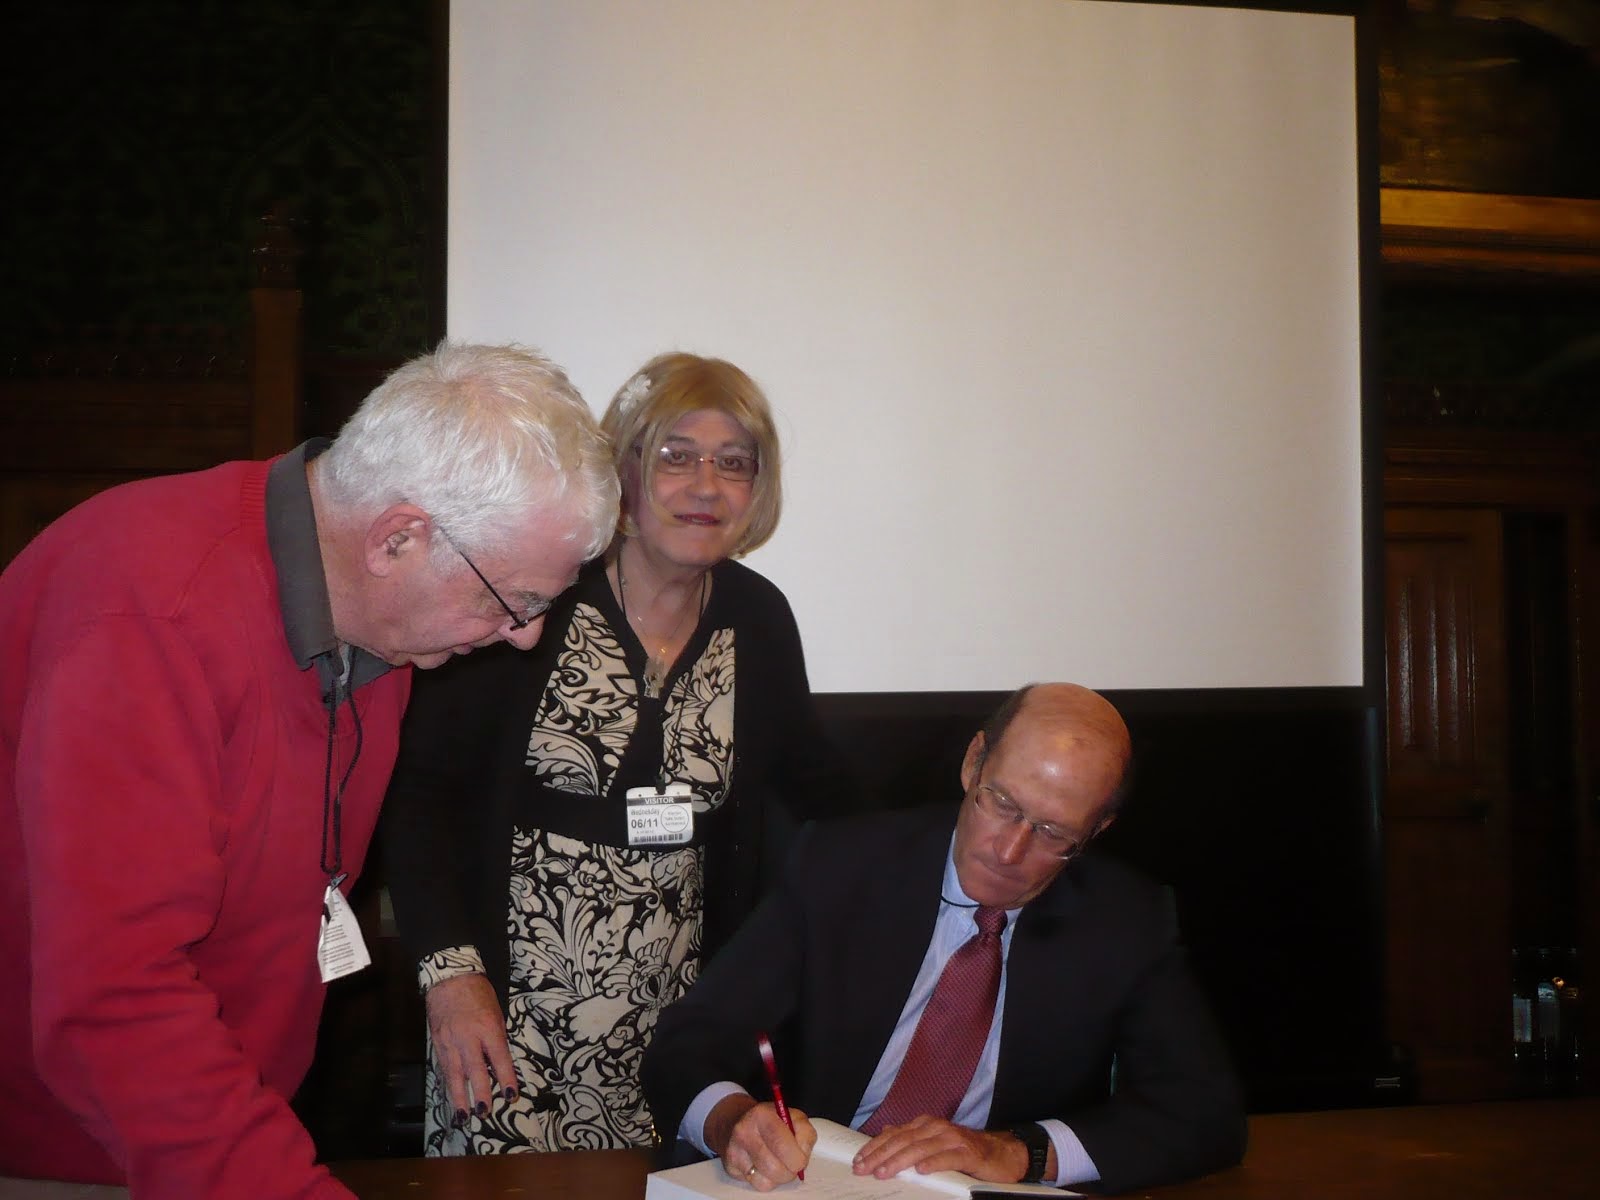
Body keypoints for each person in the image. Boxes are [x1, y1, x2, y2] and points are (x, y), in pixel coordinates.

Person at [0, 342, 619, 1198]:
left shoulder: (386, 624)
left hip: (214, 1130)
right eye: (510, 601)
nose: (523, 637)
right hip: (70, 1147)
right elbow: (115, 999)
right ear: (398, 536)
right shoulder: (149, 610)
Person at [381, 351, 849, 1155]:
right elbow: (421, 796)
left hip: (680, 1039)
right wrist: (451, 979)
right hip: (505, 1023)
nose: (707, 485)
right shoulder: (543, 591)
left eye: (734, 463)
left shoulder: (757, 619)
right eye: (676, 456)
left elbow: (819, 794)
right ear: (623, 468)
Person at [641, 683, 1248, 1194]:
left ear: (1097, 831)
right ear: (973, 763)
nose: (1009, 851)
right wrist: (731, 1120)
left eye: (1053, 832)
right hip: (815, 1182)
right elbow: (689, 1041)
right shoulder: (840, 866)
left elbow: (1205, 1114)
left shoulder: (1126, 920)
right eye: (1002, 803)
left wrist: (1020, 1154)